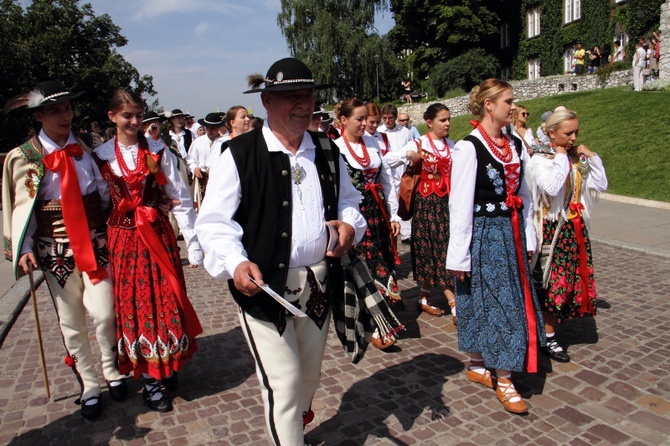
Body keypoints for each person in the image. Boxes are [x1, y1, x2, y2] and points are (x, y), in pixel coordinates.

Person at [195, 57, 366, 446]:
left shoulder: (326, 148)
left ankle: (295, 427)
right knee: (285, 383)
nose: (303, 104)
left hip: (319, 286)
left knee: (308, 377)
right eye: (291, 96)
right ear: (267, 102)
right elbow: (214, 223)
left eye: (306, 94)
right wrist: (235, 262)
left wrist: (350, 225)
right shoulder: (238, 153)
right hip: (265, 290)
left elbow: (350, 201)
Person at [2, 81, 126, 420]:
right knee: (70, 320)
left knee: (104, 313)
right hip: (54, 249)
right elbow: (21, 209)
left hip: (95, 243)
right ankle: (88, 383)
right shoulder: (23, 157)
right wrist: (23, 248)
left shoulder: (87, 151)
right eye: (56, 110)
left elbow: (104, 195)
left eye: (68, 108)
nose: (65, 116)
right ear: (39, 115)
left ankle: (110, 368)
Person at [94, 89, 203, 412]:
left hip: (157, 234)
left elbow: (179, 195)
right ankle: (150, 380)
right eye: (127, 115)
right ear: (112, 117)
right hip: (123, 241)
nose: (135, 121)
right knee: (136, 306)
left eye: (139, 115)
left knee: (166, 298)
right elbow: (100, 202)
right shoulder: (101, 156)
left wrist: (193, 244)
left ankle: (167, 364)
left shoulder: (157, 151)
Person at [447, 79, 545, 415]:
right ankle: (503, 377)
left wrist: (531, 236)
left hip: (511, 230)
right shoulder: (469, 148)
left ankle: (479, 362)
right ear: (489, 105)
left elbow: (527, 196)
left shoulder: (514, 143)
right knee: (492, 299)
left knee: (502, 297)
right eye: (508, 101)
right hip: (484, 233)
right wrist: (458, 254)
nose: (513, 107)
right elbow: (459, 206)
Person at [526, 109, 608, 363]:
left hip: (574, 229)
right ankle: (547, 335)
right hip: (552, 230)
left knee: (569, 282)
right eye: (568, 133)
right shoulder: (541, 160)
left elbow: (600, 184)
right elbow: (552, 187)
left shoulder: (573, 159)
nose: (573, 138)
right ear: (552, 133)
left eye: (576, 133)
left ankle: (548, 329)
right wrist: (561, 157)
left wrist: (589, 155)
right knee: (553, 284)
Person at [334, 98, 401, 350]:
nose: (365, 124)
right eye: (358, 119)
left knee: (382, 260)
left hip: (378, 211)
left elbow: (387, 181)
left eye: (365, 119)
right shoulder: (336, 148)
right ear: (343, 120)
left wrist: (393, 215)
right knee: (364, 264)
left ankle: (382, 319)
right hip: (355, 215)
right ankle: (376, 324)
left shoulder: (374, 143)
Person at [389, 104, 456, 319]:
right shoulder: (418, 143)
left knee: (446, 248)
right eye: (442, 120)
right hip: (426, 205)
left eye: (448, 119)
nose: (447, 124)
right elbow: (387, 160)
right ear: (430, 122)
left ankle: (423, 296)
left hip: (447, 205)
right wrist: (408, 154)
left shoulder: (452, 145)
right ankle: (454, 302)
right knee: (431, 250)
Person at [378, 104, 413, 244]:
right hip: (388, 172)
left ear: (395, 117)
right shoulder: (380, 132)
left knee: (404, 201)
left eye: (390, 118)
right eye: (385, 118)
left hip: (402, 171)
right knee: (391, 200)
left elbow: (410, 149)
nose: (387, 121)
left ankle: (406, 233)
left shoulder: (405, 132)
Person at [186, 112, 225, 209]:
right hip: (202, 180)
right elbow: (190, 160)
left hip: (219, 180)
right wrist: (194, 168)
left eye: (213, 128)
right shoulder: (198, 142)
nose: (210, 131)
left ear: (219, 128)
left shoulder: (224, 142)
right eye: (208, 128)